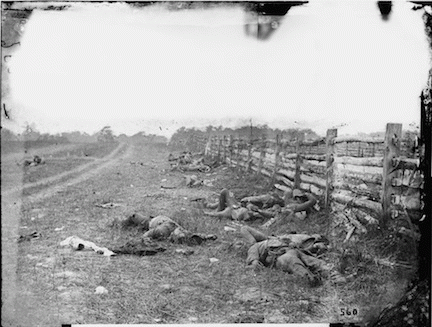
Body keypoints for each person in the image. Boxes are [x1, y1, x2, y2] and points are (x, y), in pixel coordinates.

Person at [240, 226, 344, 286]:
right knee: (293, 263)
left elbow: (245, 228)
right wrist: (254, 263)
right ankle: (312, 279)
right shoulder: (255, 246)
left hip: (295, 250)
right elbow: (254, 261)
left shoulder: (274, 238)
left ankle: (334, 276)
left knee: (314, 261)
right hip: (281, 256)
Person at [203, 188, 317, 223]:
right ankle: (216, 209)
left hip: (244, 210)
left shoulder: (291, 208)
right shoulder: (281, 202)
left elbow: (312, 201)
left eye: (295, 198)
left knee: (226, 194)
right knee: (226, 192)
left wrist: (307, 195)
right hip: (244, 207)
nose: (288, 196)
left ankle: (215, 212)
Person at [122, 213, 217, 245]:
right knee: (134, 217)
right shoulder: (163, 231)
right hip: (151, 222)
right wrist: (145, 239)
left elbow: (193, 234)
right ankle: (122, 223)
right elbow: (147, 234)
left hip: (160, 219)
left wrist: (207, 237)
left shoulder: (180, 231)